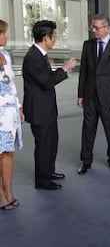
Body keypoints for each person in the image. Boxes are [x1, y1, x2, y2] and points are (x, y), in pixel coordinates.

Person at [22, 20, 77, 190]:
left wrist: (60, 71)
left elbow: (45, 79)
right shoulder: (32, 57)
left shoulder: (41, 55)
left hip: (47, 109)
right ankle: (42, 181)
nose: (56, 39)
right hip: (39, 111)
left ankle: (49, 172)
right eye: (54, 36)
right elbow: (46, 82)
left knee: (52, 142)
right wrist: (65, 69)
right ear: (46, 38)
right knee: (44, 145)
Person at [77, 14, 110, 175]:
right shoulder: (88, 45)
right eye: (92, 27)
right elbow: (83, 71)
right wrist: (80, 94)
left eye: (96, 28)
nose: (93, 31)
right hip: (90, 96)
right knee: (87, 130)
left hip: (109, 98)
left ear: (107, 28)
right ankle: (86, 161)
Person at [0, 19, 23, 210]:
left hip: (9, 112)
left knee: (8, 152)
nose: (6, 36)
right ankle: (1, 195)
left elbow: (11, 84)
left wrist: (19, 107)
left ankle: (8, 191)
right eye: (2, 33)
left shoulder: (6, 54)